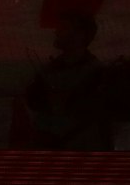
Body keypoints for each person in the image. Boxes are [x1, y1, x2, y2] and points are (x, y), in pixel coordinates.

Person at [23, 11, 110, 151]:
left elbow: (88, 112)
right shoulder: (49, 69)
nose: (57, 32)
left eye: (64, 28)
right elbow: (34, 100)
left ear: (80, 35)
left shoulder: (97, 74)